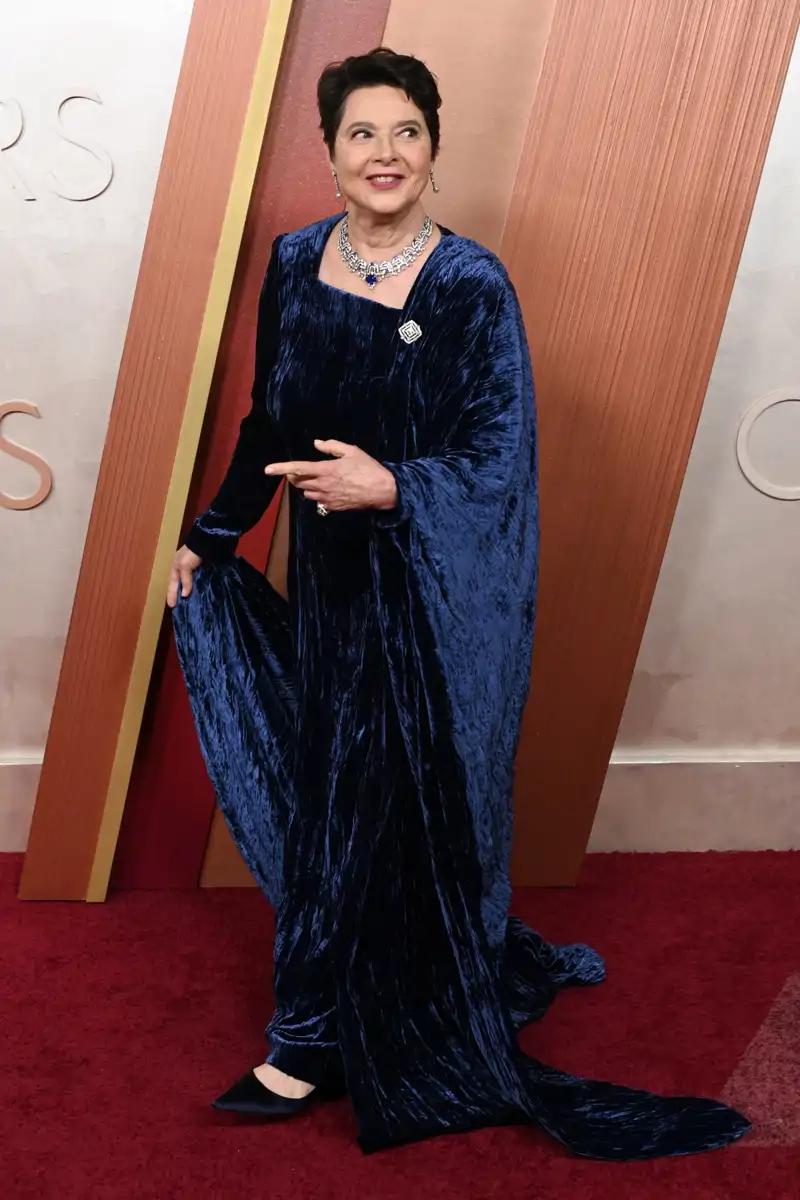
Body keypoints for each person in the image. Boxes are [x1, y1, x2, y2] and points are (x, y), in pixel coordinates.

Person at [166, 47, 749, 1158]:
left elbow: (498, 456)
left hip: (433, 606)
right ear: (329, 153)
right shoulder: (293, 265)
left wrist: (389, 484)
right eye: (360, 136)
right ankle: (342, 1013)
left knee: (385, 804)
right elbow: (268, 418)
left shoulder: (472, 286)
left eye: (406, 134)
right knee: (339, 800)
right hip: (333, 594)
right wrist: (211, 534)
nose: (384, 155)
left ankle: (320, 1038)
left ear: (434, 150)